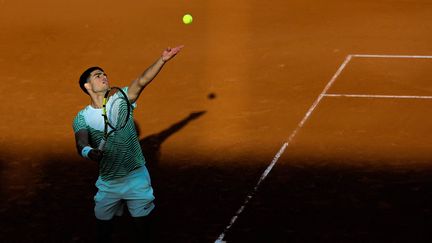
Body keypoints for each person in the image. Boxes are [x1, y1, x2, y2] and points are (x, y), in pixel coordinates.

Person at [72, 45, 184, 242]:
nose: (104, 77)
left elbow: (141, 81)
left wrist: (162, 60)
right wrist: (90, 152)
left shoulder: (121, 99)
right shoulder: (82, 117)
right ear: (87, 86)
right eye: (98, 75)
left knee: (143, 231)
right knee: (103, 232)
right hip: (108, 183)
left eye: (105, 74)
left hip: (136, 177)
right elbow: (81, 142)